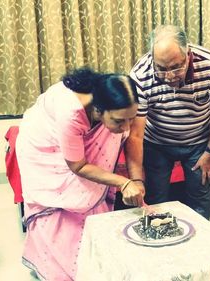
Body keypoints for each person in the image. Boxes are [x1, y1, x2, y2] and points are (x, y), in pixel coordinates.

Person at [16, 68, 145, 280]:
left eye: (130, 119)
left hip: (74, 136)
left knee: (90, 192)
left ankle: (95, 249)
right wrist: (123, 182)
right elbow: (78, 166)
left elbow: (133, 138)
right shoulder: (71, 112)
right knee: (67, 194)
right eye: (119, 121)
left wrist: (137, 180)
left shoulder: (116, 102)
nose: (125, 128)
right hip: (44, 145)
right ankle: (56, 262)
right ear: (99, 109)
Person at [128, 25, 210, 219]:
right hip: (157, 143)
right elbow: (135, 135)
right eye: (161, 69)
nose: (169, 77)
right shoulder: (140, 75)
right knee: (156, 200)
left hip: (199, 143)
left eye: (176, 67)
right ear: (152, 58)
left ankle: (199, 247)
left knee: (200, 200)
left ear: (188, 54)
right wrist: (136, 179)